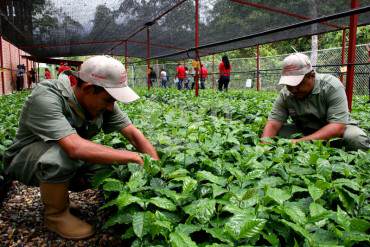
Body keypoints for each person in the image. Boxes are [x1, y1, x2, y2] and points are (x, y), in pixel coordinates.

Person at [3, 56, 159, 240]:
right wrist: (133, 157)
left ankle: (60, 199)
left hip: (63, 155)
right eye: (108, 100)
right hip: (23, 160)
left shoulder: (102, 100)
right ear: (87, 88)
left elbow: (132, 133)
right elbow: (73, 147)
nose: (111, 107)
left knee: (108, 166)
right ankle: (55, 216)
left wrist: (154, 163)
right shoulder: (47, 96)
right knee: (61, 155)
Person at [261, 53, 369, 151]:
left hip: (335, 130)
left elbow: (337, 126)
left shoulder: (331, 86)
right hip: (305, 130)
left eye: (297, 84)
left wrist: (299, 142)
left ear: (311, 75)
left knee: (356, 139)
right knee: (272, 133)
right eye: (289, 85)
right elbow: (273, 124)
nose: (293, 90)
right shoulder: (286, 94)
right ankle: (324, 144)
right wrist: (264, 148)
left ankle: (328, 145)